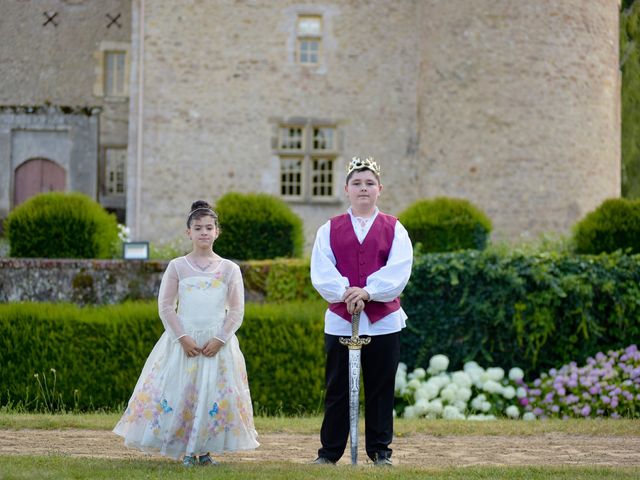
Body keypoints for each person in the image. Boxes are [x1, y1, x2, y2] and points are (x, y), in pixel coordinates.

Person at [113, 200, 259, 466]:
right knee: (183, 391)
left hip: (217, 342)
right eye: (198, 227)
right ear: (188, 232)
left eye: (209, 227)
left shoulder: (229, 269)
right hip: (183, 341)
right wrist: (182, 337)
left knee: (212, 393)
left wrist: (220, 339)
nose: (204, 232)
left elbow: (237, 310)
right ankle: (186, 449)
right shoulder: (178, 266)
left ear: (217, 232)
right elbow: (166, 306)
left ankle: (204, 450)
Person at [310, 156, 413, 466]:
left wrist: (368, 292)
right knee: (337, 390)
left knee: (381, 389)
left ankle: (381, 452)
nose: (363, 188)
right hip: (342, 321)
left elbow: (399, 271)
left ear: (379, 189)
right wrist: (345, 292)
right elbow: (322, 271)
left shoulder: (395, 228)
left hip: (383, 322)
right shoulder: (329, 229)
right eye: (357, 183)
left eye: (369, 183)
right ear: (346, 189)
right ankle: (329, 454)